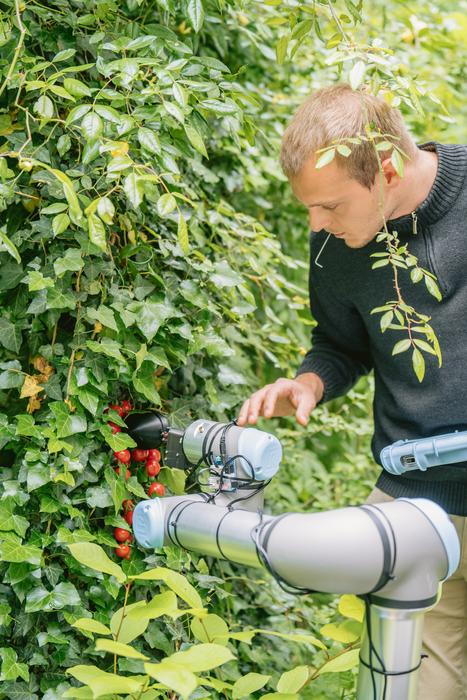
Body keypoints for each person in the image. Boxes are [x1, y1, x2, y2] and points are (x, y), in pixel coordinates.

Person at [236, 84, 467, 699]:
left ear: (386, 170)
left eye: (330, 207)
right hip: (415, 503)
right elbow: (343, 345)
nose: (316, 224)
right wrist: (308, 381)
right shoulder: (335, 250)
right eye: (310, 209)